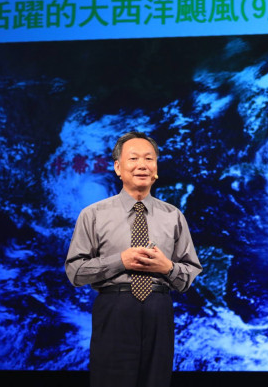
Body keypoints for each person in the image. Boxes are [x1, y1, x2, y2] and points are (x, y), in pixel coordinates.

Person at [65, 131, 202, 387]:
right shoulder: (93, 215)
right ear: (118, 167)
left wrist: (168, 268)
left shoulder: (173, 216)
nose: (142, 165)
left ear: (156, 168)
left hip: (159, 309)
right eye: (134, 158)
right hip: (115, 307)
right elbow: (75, 271)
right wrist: (121, 261)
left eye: (149, 159)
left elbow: (189, 272)